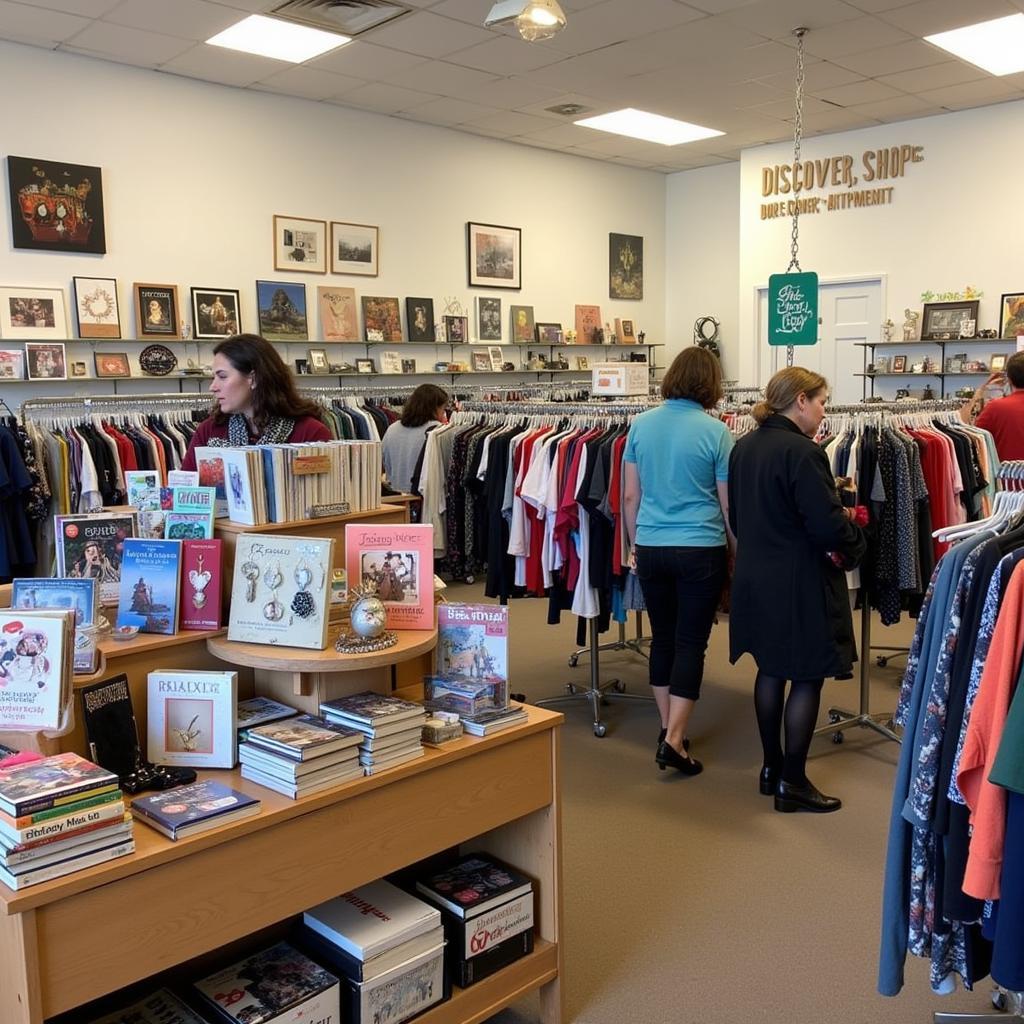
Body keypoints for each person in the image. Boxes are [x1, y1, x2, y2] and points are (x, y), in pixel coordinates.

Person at [728, 367, 867, 814]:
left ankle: (771, 769)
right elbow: (826, 525)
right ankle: (794, 781)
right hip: (797, 580)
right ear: (801, 401)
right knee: (806, 675)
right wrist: (857, 543)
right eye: (822, 401)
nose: (825, 412)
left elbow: (736, 518)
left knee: (770, 669)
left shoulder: (743, 447)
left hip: (754, 574)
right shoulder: (804, 453)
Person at [622, 347, 734, 777]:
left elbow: (631, 495)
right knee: (691, 643)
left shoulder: (640, 426)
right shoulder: (717, 433)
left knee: (662, 639)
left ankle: (668, 728)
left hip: (650, 545)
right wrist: (736, 550)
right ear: (711, 383)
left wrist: (635, 543)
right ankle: (673, 740)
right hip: (700, 548)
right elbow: (727, 507)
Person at [181, 334, 330, 471]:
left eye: (222, 377)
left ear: (254, 378)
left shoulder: (310, 434)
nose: (212, 387)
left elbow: (326, 496)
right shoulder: (209, 431)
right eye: (213, 378)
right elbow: (184, 494)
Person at [381, 383, 449, 495]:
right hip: (424, 499)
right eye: (442, 409)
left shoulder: (392, 428)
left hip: (395, 498)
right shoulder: (438, 431)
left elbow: (384, 462)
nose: (443, 413)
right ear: (433, 408)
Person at [959, 352, 1024, 459]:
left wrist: (979, 394)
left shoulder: (996, 407)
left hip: (1006, 473)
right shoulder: (997, 406)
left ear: (1010, 379)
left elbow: (972, 438)